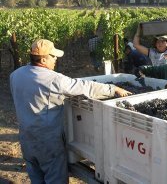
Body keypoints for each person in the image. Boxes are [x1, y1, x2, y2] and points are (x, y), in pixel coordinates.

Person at [10, 39, 131, 183]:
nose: (55, 59)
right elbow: (85, 87)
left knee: (36, 176)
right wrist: (113, 89)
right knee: (55, 177)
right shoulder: (53, 79)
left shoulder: (16, 75)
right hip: (47, 142)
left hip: (26, 138)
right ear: (43, 59)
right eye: (53, 56)